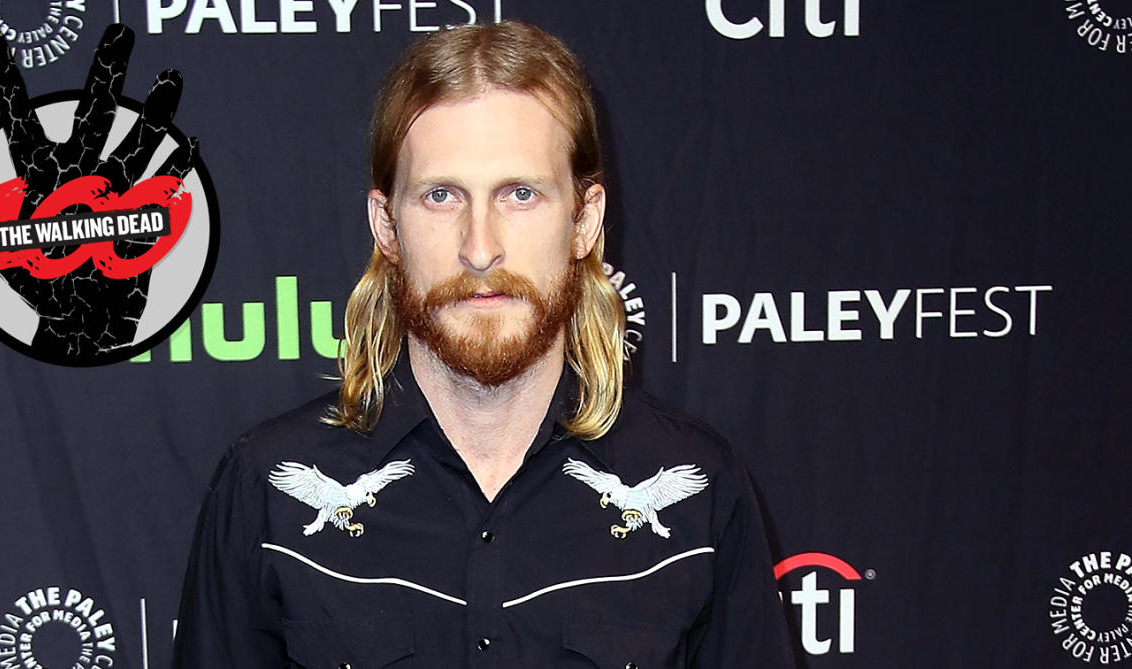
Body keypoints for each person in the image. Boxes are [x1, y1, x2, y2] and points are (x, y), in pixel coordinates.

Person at [172, 20, 794, 668]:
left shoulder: (702, 493)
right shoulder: (265, 491)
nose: (480, 246)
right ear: (387, 225)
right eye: (441, 195)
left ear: (584, 220)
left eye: (520, 194)